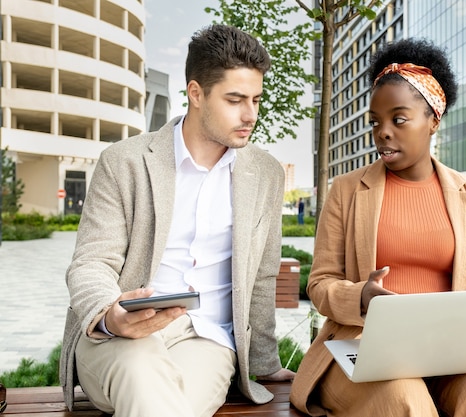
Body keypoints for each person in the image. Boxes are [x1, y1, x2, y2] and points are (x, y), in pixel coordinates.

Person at [290, 38, 466, 416]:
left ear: (433, 120)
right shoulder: (346, 190)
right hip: (363, 351)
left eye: (399, 118)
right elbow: (320, 283)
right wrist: (361, 297)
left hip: (453, 353)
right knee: (403, 400)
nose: (383, 132)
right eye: (375, 122)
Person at [60, 24, 295, 416]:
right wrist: (110, 316)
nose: (250, 114)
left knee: (163, 404)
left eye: (256, 99)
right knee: (142, 373)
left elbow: (262, 278)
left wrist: (265, 364)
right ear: (196, 93)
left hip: (209, 342)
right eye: (235, 99)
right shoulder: (124, 162)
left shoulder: (265, 174)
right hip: (119, 339)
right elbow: (91, 263)